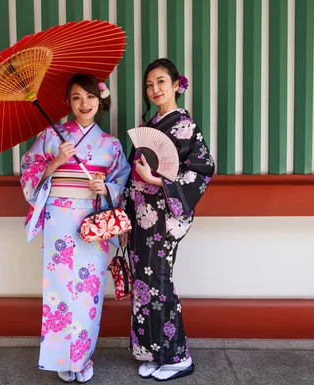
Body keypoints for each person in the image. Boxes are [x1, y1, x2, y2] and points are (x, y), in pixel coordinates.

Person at [20, 73, 131, 383]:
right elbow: (29, 174)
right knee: (58, 291)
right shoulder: (51, 136)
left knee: (87, 293)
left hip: (91, 222)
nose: (85, 104)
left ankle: (81, 358)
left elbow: (122, 180)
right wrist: (55, 162)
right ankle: (60, 358)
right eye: (77, 97)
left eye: (91, 97)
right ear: (68, 102)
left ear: (100, 101)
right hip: (58, 219)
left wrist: (105, 187)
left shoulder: (110, 144)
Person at [119, 58, 215, 381]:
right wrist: (125, 218)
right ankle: (154, 353)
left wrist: (159, 180)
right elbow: (133, 179)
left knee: (160, 284)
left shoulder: (185, 128)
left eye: (161, 82)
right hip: (140, 218)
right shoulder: (151, 128)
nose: (154, 89)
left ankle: (178, 356)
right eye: (149, 85)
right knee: (144, 288)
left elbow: (203, 169)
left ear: (176, 84)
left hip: (164, 218)